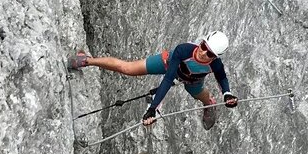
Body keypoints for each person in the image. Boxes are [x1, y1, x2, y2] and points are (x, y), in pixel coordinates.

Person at [67, 31, 239, 130]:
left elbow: (222, 78)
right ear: (201, 42)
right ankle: (87, 60)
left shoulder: (216, 65)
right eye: (203, 46)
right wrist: (153, 109)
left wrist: (227, 94)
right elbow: (168, 79)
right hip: (168, 65)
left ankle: (210, 103)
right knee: (127, 68)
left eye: (209, 54)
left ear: (215, 57)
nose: (203, 53)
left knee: (201, 96)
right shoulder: (184, 50)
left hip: (193, 81)